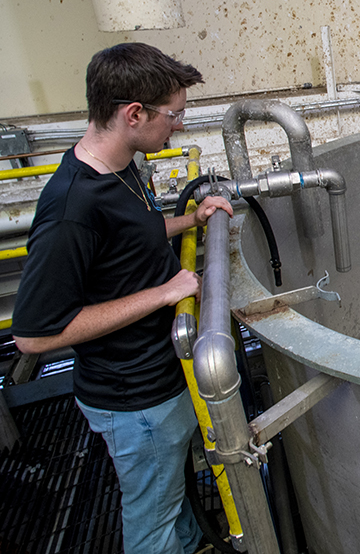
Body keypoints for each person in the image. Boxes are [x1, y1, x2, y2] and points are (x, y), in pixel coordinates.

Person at [11, 43, 233, 554]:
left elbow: (132, 234)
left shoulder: (123, 166)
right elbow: (32, 334)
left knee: (171, 496)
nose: (178, 126)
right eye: (174, 114)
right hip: (134, 400)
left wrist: (188, 220)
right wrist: (165, 292)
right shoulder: (72, 207)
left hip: (161, 379)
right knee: (151, 521)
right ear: (134, 114)